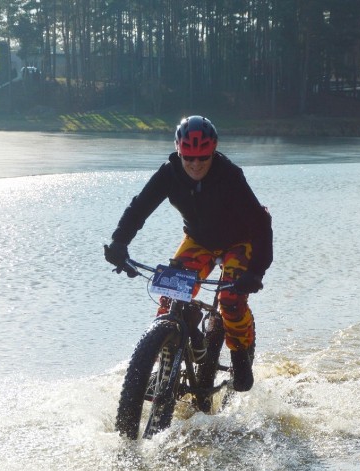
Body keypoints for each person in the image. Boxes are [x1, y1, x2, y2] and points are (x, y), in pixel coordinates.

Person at [104, 115, 273, 392]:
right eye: (188, 158)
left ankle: (240, 358)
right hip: (199, 241)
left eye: (203, 158)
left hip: (240, 242)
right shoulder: (168, 174)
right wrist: (119, 243)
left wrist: (256, 271)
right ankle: (168, 354)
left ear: (213, 151)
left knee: (231, 299)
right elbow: (139, 208)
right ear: (179, 151)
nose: (195, 164)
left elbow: (260, 223)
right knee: (169, 297)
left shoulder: (230, 175)